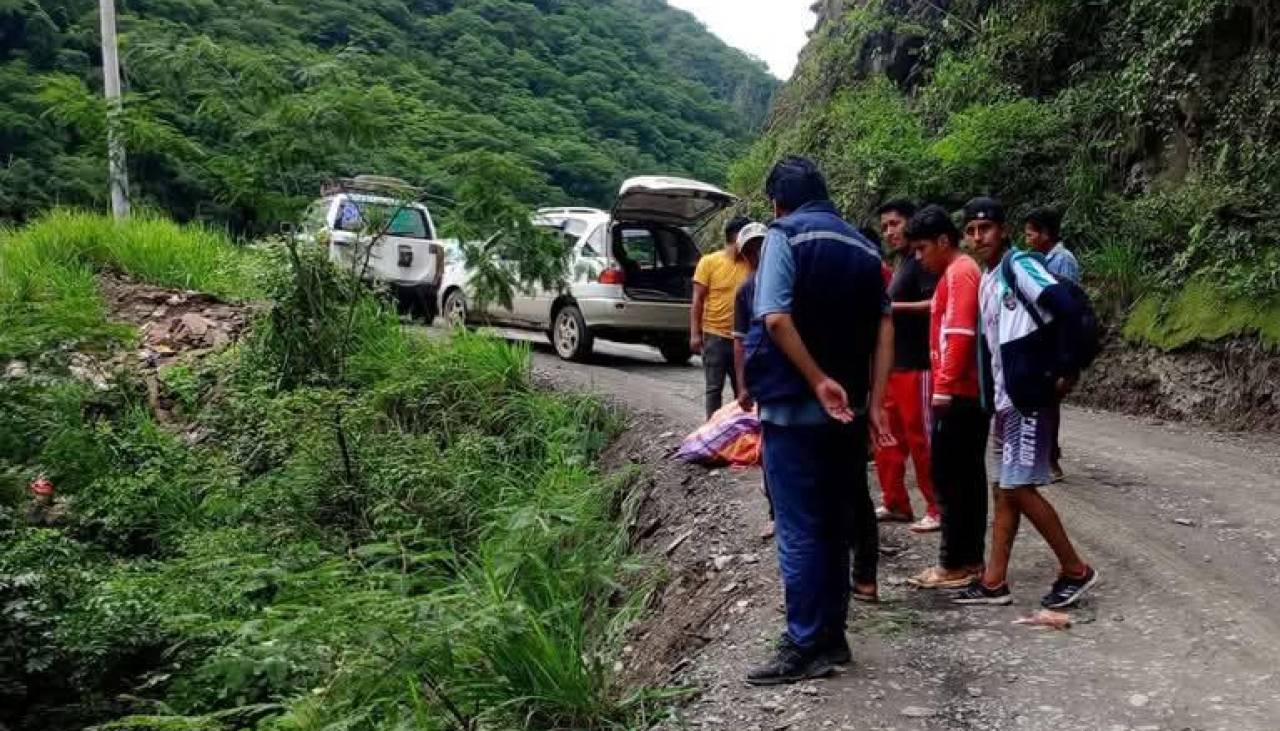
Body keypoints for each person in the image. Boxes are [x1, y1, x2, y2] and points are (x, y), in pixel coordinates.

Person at [743, 156, 894, 685]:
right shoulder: (864, 246)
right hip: (849, 413)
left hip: (795, 408)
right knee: (834, 525)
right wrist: (874, 402)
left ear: (777, 203)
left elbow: (776, 317)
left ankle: (805, 642)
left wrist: (814, 379)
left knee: (800, 528)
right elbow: (883, 325)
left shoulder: (784, 236)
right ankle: (832, 637)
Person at [951, 197, 1100, 608]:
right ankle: (994, 582)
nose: (979, 236)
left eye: (986, 228)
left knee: (1018, 486)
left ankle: (1075, 569)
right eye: (972, 230)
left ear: (1003, 230)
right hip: (1006, 399)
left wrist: (1066, 369)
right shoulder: (989, 278)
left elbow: (1066, 307)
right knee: (1004, 489)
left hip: (1029, 396)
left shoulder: (1022, 266)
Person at [906, 205, 990, 591]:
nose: (919, 257)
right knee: (964, 477)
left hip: (959, 394)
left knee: (952, 478)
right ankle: (968, 559)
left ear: (943, 241)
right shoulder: (955, 274)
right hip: (959, 392)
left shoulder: (961, 274)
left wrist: (942, 387)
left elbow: (958, 333)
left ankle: (955, 563)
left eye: (923, 248)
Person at [873, 200, 941, 532]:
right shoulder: (900, 264)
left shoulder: (923, 262)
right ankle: (895, 502)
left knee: (921, 441)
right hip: (893, 366)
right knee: (887, 440)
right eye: (885, 226)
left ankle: (936, 507)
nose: (890, 231)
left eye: (895, 223)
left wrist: (890, 307)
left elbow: (936, 304)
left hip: (917, 364)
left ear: (911, 223)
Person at [1024, 206, 1080, 481]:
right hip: (1048, 342)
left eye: (1031, 233)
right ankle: (1045, 457)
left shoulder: (1061, 261)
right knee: (1045, 402)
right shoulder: (1045, 259)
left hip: (1058, 343)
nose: (1028, 239)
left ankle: (1051, 460)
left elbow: (1065, 308)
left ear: (1045, 234)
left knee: (1049, 402)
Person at [692, 216, 753, 418]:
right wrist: (695, 334)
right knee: (713, 389)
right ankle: (711, 430)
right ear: (734, 238)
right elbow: (698, 301)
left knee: (742, 390)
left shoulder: (751, 264)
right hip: (715, 335)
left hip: (742, 337)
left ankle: (739, 434)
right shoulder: (709, 262)